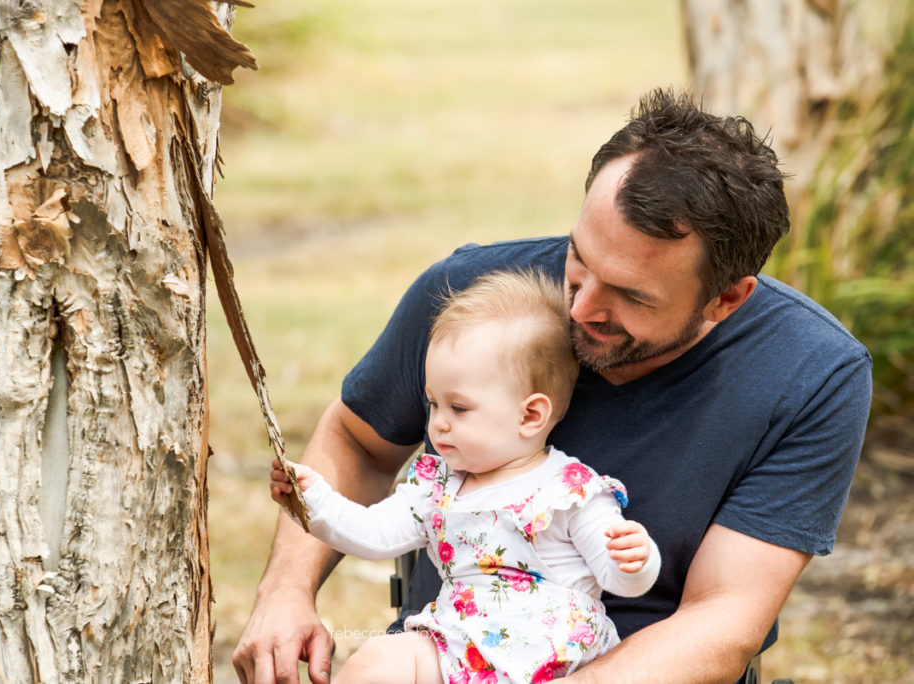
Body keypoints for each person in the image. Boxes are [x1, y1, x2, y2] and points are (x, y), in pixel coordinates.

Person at [232, 88, 873, 684]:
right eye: (580, 258)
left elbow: (724, 618)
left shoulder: (812, 374)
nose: (580, 306)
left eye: (628, 295)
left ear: (724, 300)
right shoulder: (476, 300)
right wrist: (286, 591)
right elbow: (358, 440)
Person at [270, 270, 661, 683]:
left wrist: (636, 562)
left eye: (458, 408)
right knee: (379, 661)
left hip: (551, 663)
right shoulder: (437, 486)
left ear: (530, 415)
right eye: (433, 403)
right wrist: (315, 501)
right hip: (456, 650)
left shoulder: (568, 491)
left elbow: (618, 580)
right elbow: (374, 532)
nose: (437, 424)